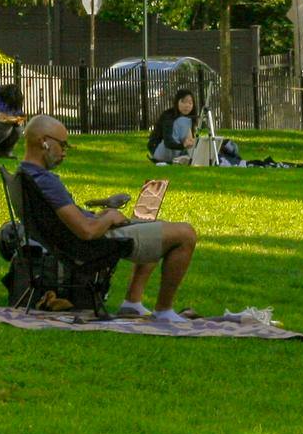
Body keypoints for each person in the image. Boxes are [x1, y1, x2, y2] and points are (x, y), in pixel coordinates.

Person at [18, 114, 200, 324]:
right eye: (63, 144)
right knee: (185, 234)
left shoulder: (28, 174)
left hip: (79, 239)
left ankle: (133, 304)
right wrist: (110, 216)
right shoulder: (44, 181)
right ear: (44, 142)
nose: (65, 151)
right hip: (91, 245)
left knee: (156, 225)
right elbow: (86, 232)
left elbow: (77, 224)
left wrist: (100, 216)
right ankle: (164, 310)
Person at [148, 89, 198, 165]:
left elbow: (189, 139)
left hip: (177, 150)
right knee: (182, 121)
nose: (187, 105)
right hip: (160, 149)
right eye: (183, 102)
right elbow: (168, 142)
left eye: (190, 103)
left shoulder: (190, 119)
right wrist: (183, 145)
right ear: (177, 102)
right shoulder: (168, 116)